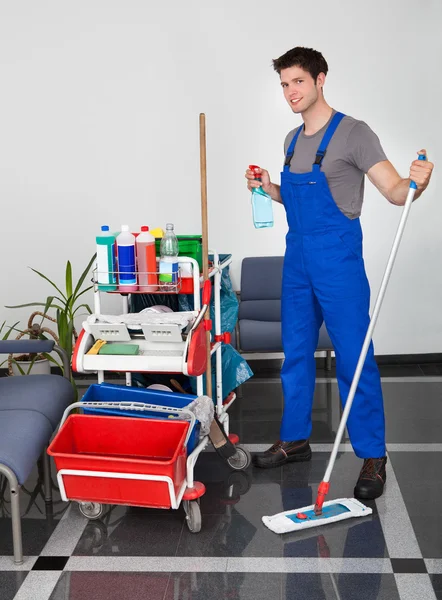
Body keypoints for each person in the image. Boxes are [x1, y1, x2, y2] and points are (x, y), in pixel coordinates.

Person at [245, 46, 434, 499]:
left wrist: (418, 183)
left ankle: (372, 455)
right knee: (295, 354)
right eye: (285, 84)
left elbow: (393, 190)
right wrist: (268, 187)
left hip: (339, 261)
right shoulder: (291, 140)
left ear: (320, 79)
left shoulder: (355, 133)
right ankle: (295, 439)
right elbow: (295, 200)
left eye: (298, 82)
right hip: (298, 262)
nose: (291, 91)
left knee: (354, 356)